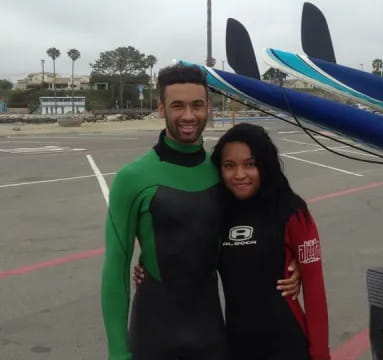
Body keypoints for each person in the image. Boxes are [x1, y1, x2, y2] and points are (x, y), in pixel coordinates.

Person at [101, 64, 299, 360]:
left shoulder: (221, 172)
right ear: (161, 109)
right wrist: (118, 352)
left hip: (211, 333)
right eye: (177, 105)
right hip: (153, 333)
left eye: (197, 105)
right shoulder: (133, 178)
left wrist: (290, 261)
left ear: (209, 107)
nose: (189, 115)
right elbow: (115, 268)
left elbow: (258, 225)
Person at [135, 123, 331, 360]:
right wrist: (147, 267)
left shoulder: (293, 212)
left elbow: (315, 293)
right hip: (236, 347)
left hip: (288, 346)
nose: (239, 175)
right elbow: (187, 254)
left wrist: (321, 355)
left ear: (265, 165)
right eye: (229, 166)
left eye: (250, 164)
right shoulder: (219, 214)